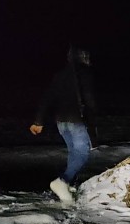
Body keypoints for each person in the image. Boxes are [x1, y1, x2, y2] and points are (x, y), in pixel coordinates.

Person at [30, 46, 96, 204]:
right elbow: (89, 99)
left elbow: (47, 98)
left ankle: (67, 183)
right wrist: (93, 117)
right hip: (77, 120)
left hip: (61, 122)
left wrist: (38, 121)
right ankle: (62, 181)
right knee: (82, 153)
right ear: (84, 57)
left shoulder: (59, 75)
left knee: (73, 152)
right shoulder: (84, 74)